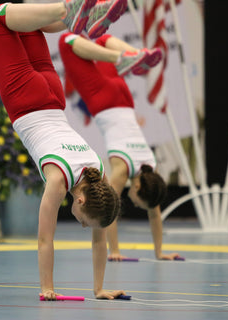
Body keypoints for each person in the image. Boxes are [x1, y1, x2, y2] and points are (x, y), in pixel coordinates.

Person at [0, 0, 149, 300]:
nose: (82, 225)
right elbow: (44, 240)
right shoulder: (58, 181)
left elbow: (99, 240)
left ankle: (74, 19)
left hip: (52, 94)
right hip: (26, 100)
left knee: (28, 23)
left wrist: (99, 289)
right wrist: (47, 288)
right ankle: (69, 9)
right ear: (82, 199)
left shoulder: (97, 170)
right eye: (84, 220)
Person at [58, 32, 181, 261]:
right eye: (136, 200)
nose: (134, 203)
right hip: (103, 101)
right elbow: (108, 210)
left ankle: (132, 55)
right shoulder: (123, 170)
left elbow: (155, 214)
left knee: (104, 41)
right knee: (65, 42)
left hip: (124, 99)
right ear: (136, 188)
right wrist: (114, 251)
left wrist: (159, 252)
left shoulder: (150, 170)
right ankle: (119, 54)